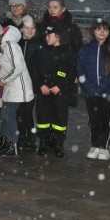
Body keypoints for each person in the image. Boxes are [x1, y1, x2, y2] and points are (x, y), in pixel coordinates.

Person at [35, 23, 76, 158]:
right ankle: (43, 144)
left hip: (60, 93)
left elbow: (70, 73)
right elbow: (36, 71)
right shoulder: (43, 51)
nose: (47, 37)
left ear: (57, 36)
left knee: (60, 119)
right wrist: (41, 85)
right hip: (44, 92)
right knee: (43, 118)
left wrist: (60, 86)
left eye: (49, 35)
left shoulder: (68, 53)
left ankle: (59, 144)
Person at [0, 24, 34, 157]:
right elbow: (5, 67)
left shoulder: (10, 45)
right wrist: (1, 78)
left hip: (17, 86)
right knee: (5, 116)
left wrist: (4, 80)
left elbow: (18, 67)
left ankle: (13, 144)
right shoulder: (3, 45)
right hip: (10, 86)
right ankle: (5, 141)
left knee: (10, 117)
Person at [77, 20, 110, 161]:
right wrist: (90, 88)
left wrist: (101, 88)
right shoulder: (85, 49)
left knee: (105, 120)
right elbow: (80, 69)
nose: (102, 32)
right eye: (98, 29)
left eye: (105, 29)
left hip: (108, 92)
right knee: (94, 119)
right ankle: (95, 145)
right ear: (93, 31)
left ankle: (104, 147)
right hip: (90, 92)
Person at [17, 15, 42, 151]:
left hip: (31, 83)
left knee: (28, 111)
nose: (30, 31)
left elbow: (40, 67)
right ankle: (21, 136)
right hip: (17, 83)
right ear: (21, 29)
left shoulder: (38, 45)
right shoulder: (17, 44)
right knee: (19, 111)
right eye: (27, 28)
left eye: (32, 28)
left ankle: (30, 138)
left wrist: (37, 83)